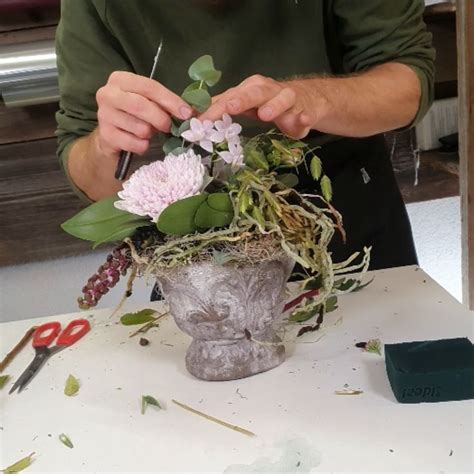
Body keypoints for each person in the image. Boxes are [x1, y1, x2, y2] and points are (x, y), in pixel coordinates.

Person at [55, 0, 435, 271]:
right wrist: (108, 145)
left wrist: (312, 99)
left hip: (343, 201)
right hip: (195, 227)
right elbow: (89, 173)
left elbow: (407, 82)